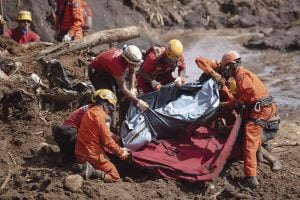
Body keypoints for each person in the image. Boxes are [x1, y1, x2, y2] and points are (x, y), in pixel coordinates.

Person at [219, 50, 281, 188]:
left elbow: (248, 93)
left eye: (226, 67)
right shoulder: (243, 74)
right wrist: (226, 105)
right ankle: (267, 157)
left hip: (261, 111)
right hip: (264, 108)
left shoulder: (241, 76)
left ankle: (250, 178)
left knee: (249, 142)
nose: (226, 71)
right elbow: (240, 97)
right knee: (251, 137)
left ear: (232, 65)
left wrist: (239, 102)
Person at [75, 89, 130, 182]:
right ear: (105, 104)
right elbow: (107, 141)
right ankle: (94, 172)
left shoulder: (89, 112)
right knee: (115, 176)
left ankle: (82, 166)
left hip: (80, 153)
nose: (109, 112)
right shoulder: (101, 116)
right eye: (111, 108)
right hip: (92, 154)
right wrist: (121, 152)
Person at [88, 44, 149, 112]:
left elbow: (132, 72)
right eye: (133, 64)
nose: (135, 66)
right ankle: (100, 113)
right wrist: (138, 102)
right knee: (108, 98)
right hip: (97, 72)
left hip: (108, 70)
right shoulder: (117, 65)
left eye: (136, 65)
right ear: (127, 60)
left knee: (122, 94)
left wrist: (132, 88)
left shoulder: (127, 56)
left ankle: (121, 113)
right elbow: (122, 88)